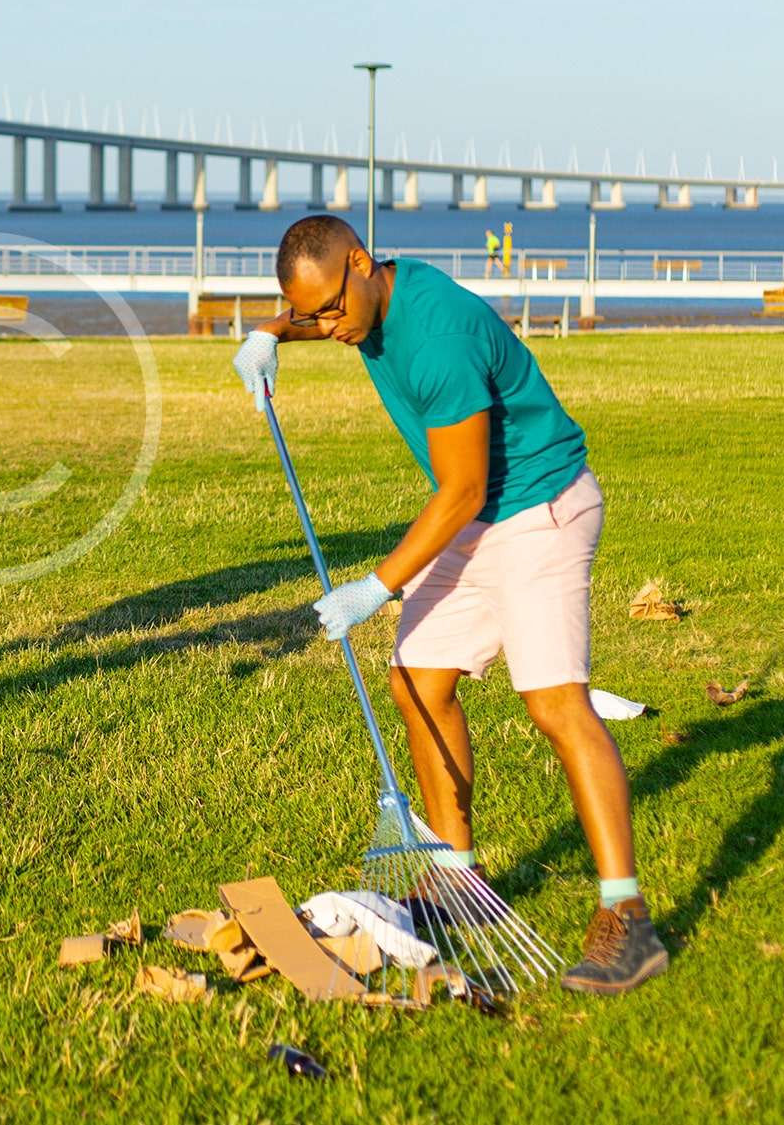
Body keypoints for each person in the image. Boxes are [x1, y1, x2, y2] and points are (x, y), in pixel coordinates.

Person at [232, 215, 666, 995]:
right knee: (417, 679)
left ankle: (627, 914)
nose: (327, 328)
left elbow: (462, 489)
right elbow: (319, 310)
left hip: (538, 508)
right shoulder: (365, 299)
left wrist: (377, 586)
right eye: (310, 315)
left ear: (361, 261)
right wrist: (271, 332)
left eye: (329, 310)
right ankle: (457, 877)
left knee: (556, 704)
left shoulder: (438, 337)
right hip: (477, 518)